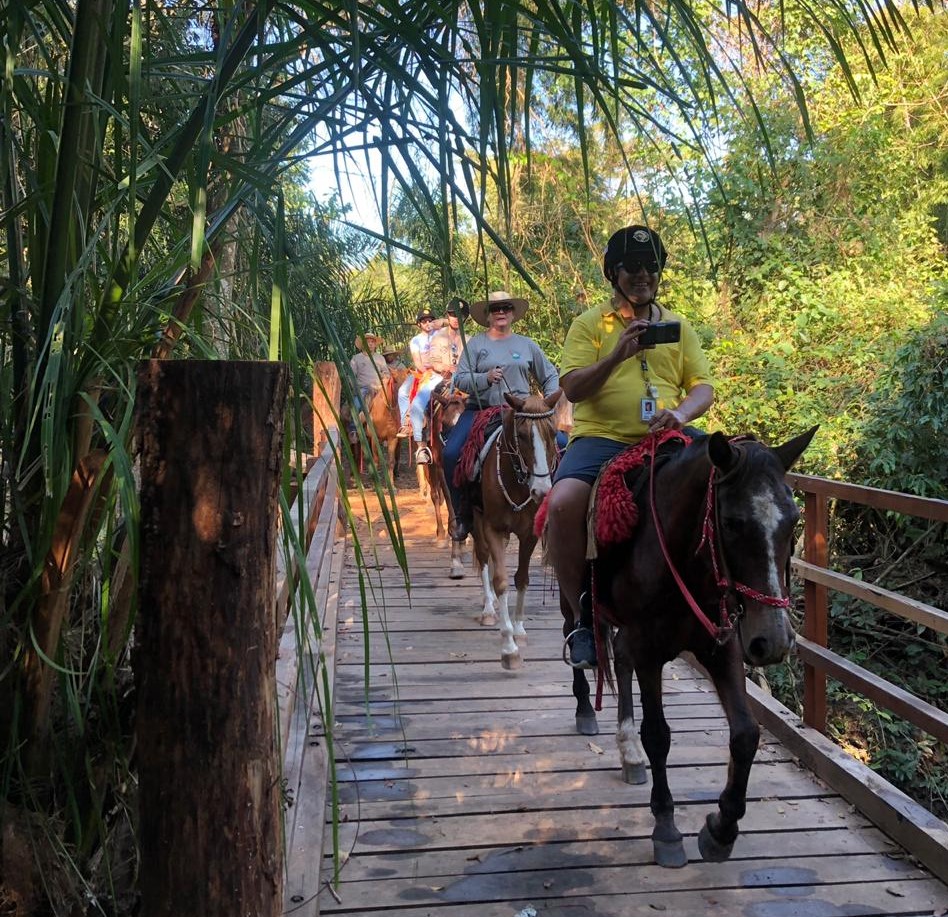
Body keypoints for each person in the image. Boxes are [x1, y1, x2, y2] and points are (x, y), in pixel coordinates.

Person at [545, 225, 715, 669]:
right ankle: (582, 618)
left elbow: (703, 387)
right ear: (613, 273)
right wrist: (616, 355)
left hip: (667, 435)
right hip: (600, 438)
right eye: (633, 268)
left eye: (651, 267)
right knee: (562, 502)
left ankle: (718, 598)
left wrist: (679, 414)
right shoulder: (589, 324)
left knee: (727, 479)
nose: (643, 275)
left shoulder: (679, 326)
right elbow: (574, 389)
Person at [443, 290, 561, 540]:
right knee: (451, 452)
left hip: (521, 412)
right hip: (481, 411)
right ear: (487, 315)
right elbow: (460, 379)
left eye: (506, 307)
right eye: (495, 308)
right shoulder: (476, 344)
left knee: (562, 445)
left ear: (513, 313)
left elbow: (550, 376)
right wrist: (484, 378)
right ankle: (461, 516)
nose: (501, 312)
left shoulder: (527, 344)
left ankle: (558, 510)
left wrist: (546, 405)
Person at [411, 300, 466, 464]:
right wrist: (444, 366)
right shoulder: (437, 336)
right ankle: (422, 446)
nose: (456, 318)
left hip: (465, 379)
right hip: (438, 377)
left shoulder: (470, 340)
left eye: (459, 315)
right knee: (416, 406)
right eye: (452, 315)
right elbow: (433, 361)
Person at [396, 310, 442, 459]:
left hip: (439, 372)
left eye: (430, 320)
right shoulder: (415, 340)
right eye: (424, 321)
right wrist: (424, 372)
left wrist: (441, 322)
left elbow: (451, 321)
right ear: (419, 324)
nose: (428, 323)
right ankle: (406, 423)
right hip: (421, 372)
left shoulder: (440, 334)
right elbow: (418, 362)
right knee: (402, 392)